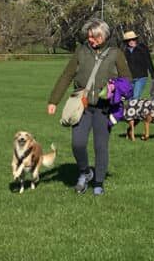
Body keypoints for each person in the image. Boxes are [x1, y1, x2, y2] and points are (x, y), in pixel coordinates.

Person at [46, 18, 131, 196]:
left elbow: (127, 80)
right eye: (89, 36)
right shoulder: (81, 51)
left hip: (104, 108)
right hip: (82, 106)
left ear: (104, 36)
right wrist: (54, 100)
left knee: (101, 146)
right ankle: (85, 172)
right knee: (77, 144)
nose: (91, 40)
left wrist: (115, 87)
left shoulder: (116, 54)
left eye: (94, 37)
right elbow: (66, 76)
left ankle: (98, 182)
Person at [122, 30, 154, 100]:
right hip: (130, 78)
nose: (131, 41)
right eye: (129, 40)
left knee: (136, 97)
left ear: (136, 39)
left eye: (133, 39)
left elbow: (149, 61)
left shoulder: (142, 48)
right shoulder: (125, 51)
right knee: (129, 98)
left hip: (141, 77)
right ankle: (133, 111)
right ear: (126, 41)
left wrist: (153, 75)